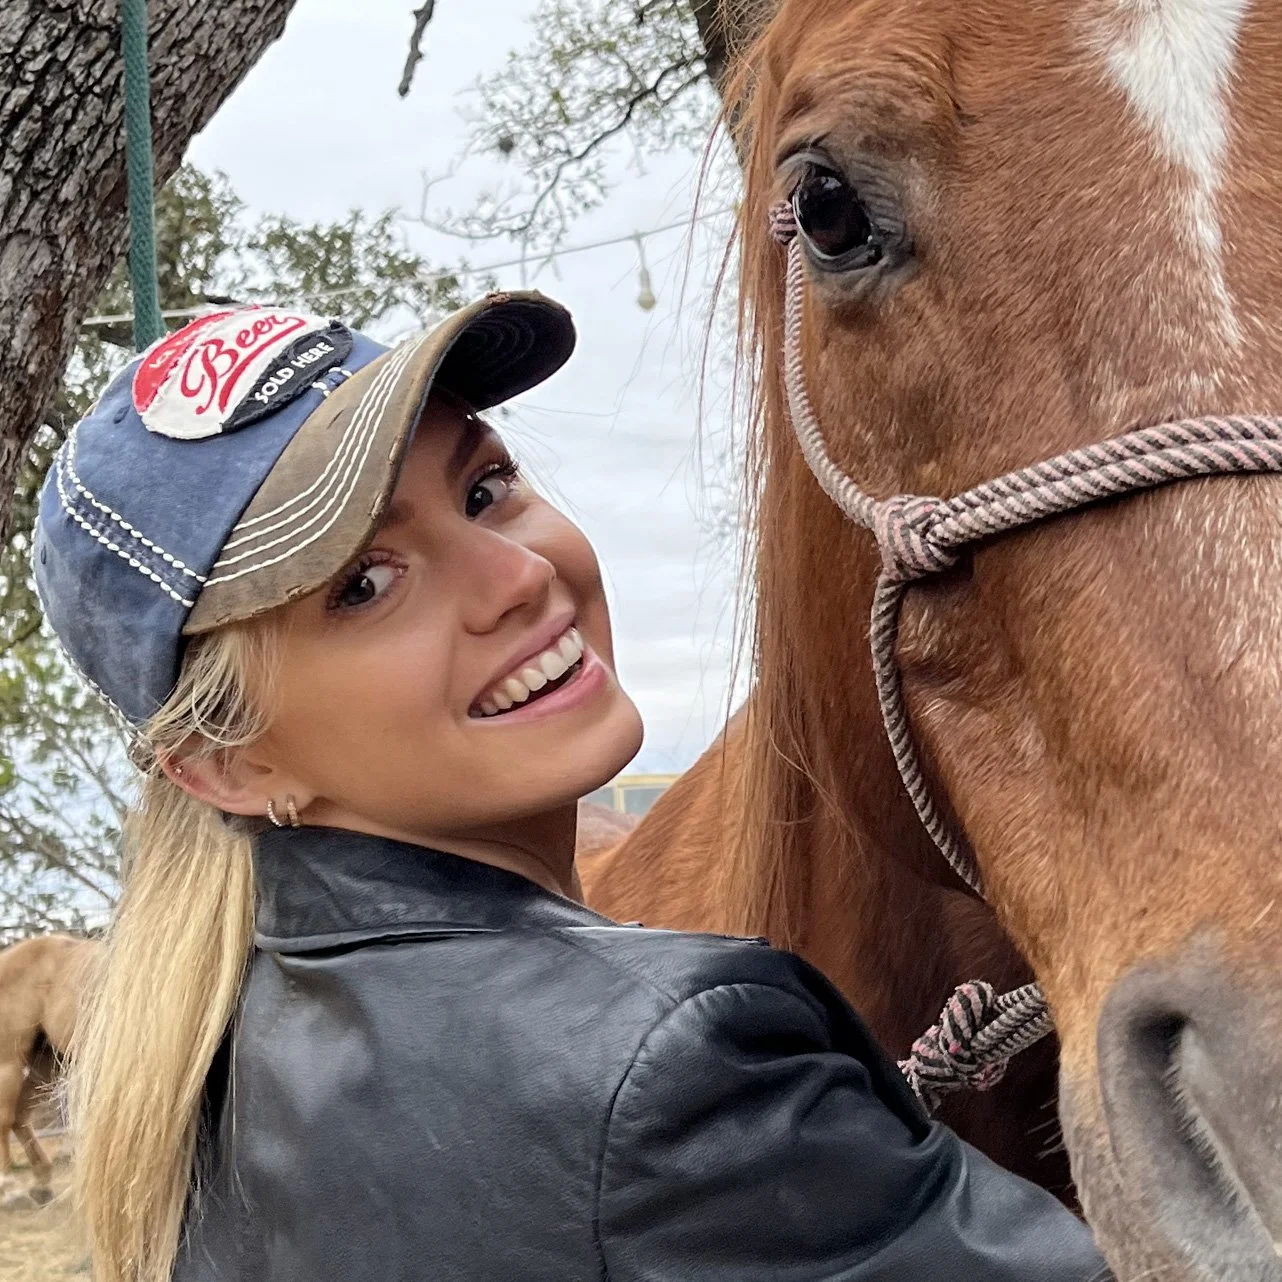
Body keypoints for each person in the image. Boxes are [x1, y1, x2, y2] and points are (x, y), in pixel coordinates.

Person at [35, 295, 1111, 1282]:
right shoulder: (671, 1073)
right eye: (364, 584)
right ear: (229, 763)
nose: (519, 576)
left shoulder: (207, 1063)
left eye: (484, 490)